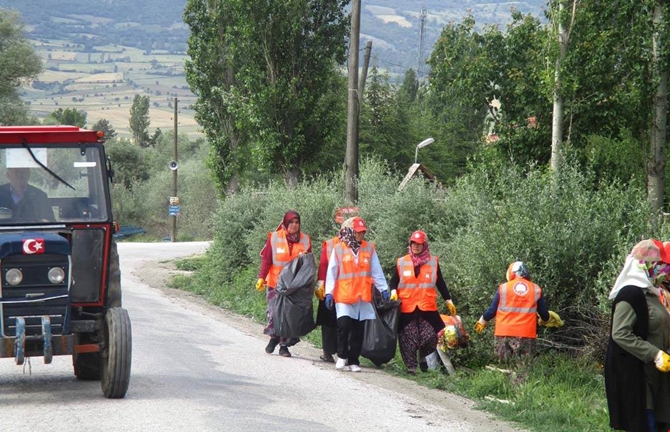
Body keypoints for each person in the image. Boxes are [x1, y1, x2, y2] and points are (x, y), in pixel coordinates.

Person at [605, 239, 670, 432]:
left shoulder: (650, 293)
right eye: (656, 265)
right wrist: (654, 354)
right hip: (636, 375)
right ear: (643, 265)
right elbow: (620, 333)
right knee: (644, 424)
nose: (661, 270)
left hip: (655, 375)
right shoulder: (630, 293)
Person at [324, 216, 391, 372]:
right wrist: (329, 293)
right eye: (357, 232)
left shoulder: (369, 248)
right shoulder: (339, 249)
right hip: (344, 294)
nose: (360, 235)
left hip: (362, 295)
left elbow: (376, 270)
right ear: (350, 231)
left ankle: (354, 360)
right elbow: (332, 272)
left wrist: (383, 289)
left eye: (362, 232)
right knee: (343, 325)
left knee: (358, 330)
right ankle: (342, 356)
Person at [390, 230, 457, 374]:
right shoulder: (402, 262)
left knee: (431, 337)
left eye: (419, 244)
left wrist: (448, 300)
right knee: (408, 339)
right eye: (413, 243)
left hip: (427, 308)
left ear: (424, 245)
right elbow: (393, 281)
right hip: (407, 308)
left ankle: (423, 357)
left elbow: (441, 283)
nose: (416, 246)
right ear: (410, 244)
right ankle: (411, 367)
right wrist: (393, 292)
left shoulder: (433, 262)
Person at [474, 261, 562, 363]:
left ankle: (505, 379)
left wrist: (482, 321)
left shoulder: (503, 288)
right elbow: (544, 315)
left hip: (503, 333)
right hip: (526, 334)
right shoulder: (536, 289)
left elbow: (492, 311)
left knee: (505, 365)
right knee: (522, 368)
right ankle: (520, 379)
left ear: (511, 273)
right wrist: (546, 319)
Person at [256, 210, 312, 358]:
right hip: (275, 283)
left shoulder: (305, 240)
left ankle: (283, 346)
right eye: (291, 222)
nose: (294, 225)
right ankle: (274, 337)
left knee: (288, 317)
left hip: (294, 286)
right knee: (274, 313)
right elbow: (267, 259)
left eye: (297, 222)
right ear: (285, 223)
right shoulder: (274, 238)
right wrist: (261, 277)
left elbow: (308, 264)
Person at [314, 217, 355, 363]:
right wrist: (321, 286)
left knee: (345, 323)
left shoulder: (358, 245)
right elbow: (323, 266)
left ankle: (343, 352)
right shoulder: (331, 244)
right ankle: (327, 351)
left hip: (349, 290)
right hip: (330, 289)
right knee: (328, 321)